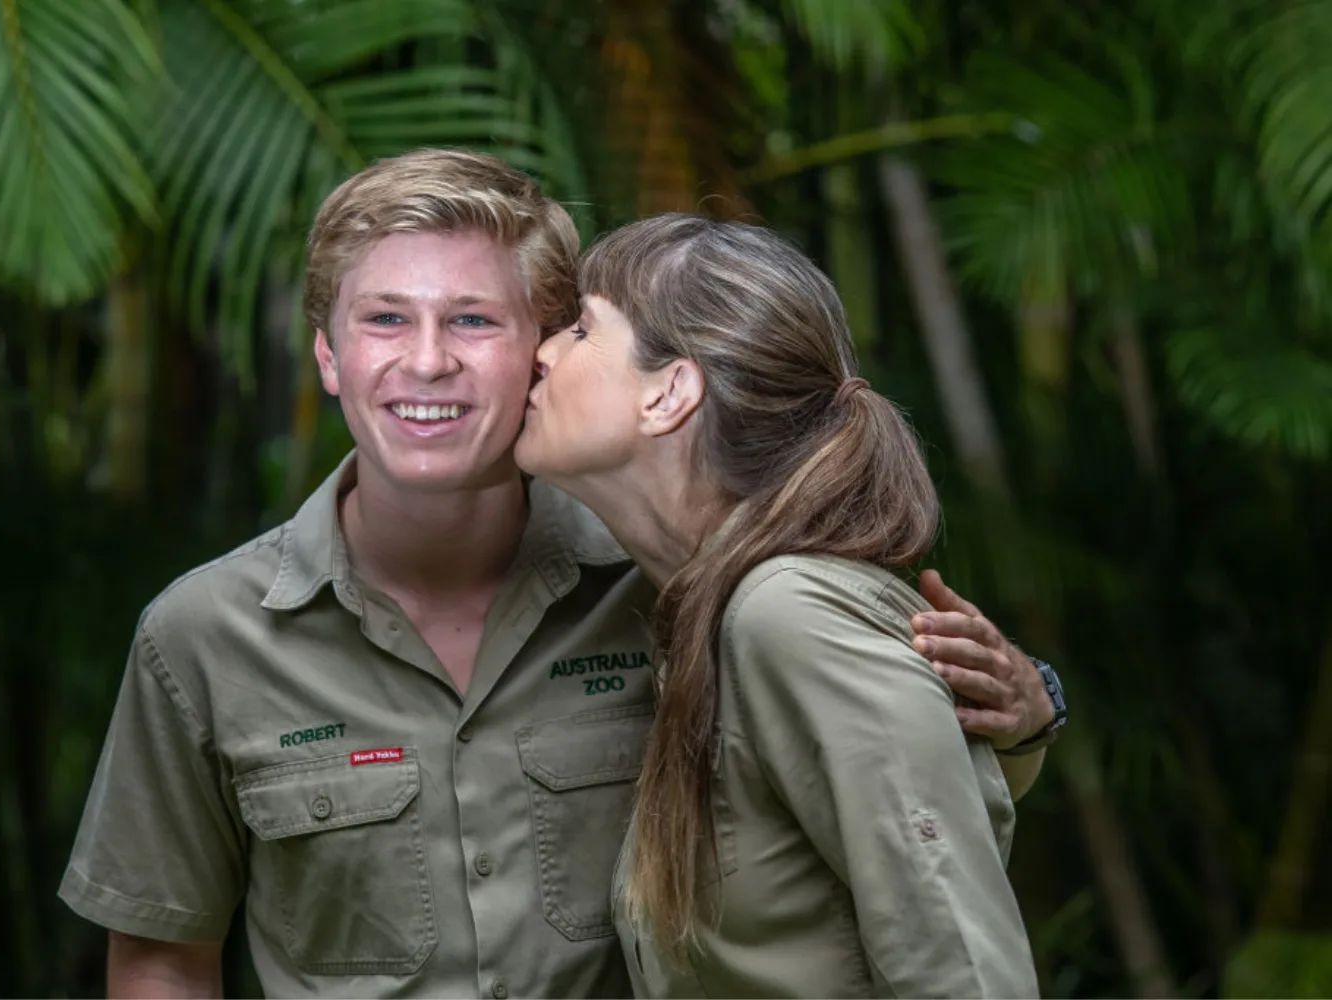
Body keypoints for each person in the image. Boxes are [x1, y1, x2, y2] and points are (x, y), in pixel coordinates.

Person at [59, 150, 1061, 999]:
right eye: (384, 322)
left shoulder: (698, 596)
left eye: (478, 323)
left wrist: (1019, 708)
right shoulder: (199, 636)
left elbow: (913, 866)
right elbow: (159, 948)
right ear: (326, 355)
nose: (428, 361)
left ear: (540, 353)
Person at [515, 213, 1042, 997]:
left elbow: (959, 965)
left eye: (583, 329)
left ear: (669, 393)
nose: (543, 351)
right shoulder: (704, 609)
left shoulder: (786, 613)